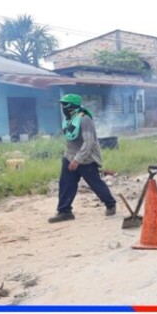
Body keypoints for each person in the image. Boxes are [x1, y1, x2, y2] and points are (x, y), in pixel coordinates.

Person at [48, 94, 116, 223]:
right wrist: (70, 157)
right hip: (69, 157)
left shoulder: (85, 120)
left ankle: (110, 204)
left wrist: (77, 159)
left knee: (95, 184)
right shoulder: (68, 120)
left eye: (65, 105)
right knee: (66, 184)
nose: (62, 108)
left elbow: (89, 142)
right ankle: (64, 211)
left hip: (87, 159)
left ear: (72, 107)